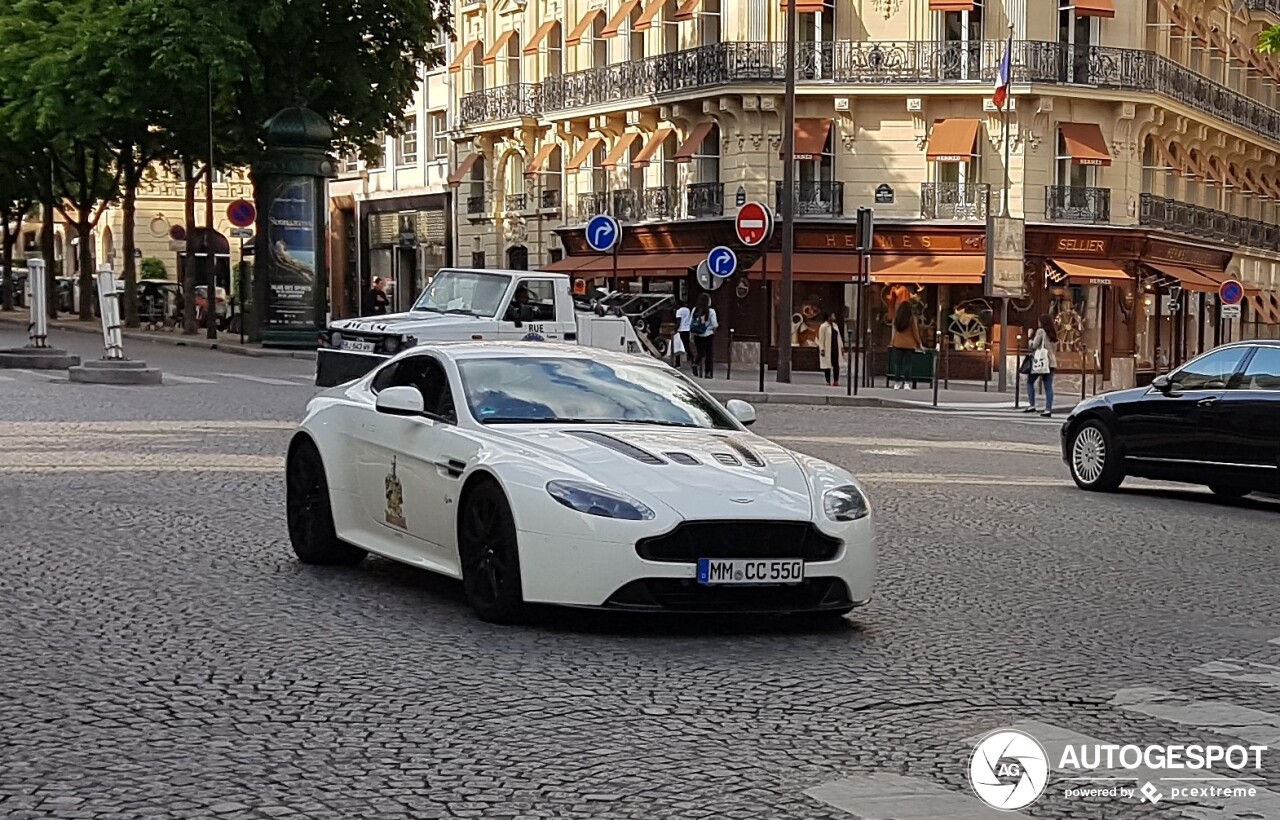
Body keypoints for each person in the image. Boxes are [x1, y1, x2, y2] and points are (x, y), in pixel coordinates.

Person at [1025, 314, 1058, 417]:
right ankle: (1048, 409)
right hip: (1051, 362)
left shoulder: (1040, 332)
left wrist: (1030, 337)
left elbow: (1033, 346)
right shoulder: (1053, 334)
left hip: (1040, 362)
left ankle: (1032, 405)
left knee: (1030, 382)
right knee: (1048, 386)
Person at [889, 301, 923, 389]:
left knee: (897, 364)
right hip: (909, 344)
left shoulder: (897, 318)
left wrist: (892, 342)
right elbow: (915, 332)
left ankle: (897, 383)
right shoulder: (911, 318)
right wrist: (920, 343)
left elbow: (894, 330)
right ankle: (906, 383)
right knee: (907, 365)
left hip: (898, 343)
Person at [690, 293, 718, 378]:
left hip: (697, 334)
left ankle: (695, 363)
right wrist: (711, 329)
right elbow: (714, 324)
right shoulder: (711, 311)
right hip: (708, 334)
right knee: (709, 354)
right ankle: (707, 373)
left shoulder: (695, 310)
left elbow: (691, 322)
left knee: (700, 352)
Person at [817, 313, 844, 386]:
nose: (834, 317)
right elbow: (821, 339)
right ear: (828, 317)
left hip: (835, 348)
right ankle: (828, 380)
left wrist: (841, 346)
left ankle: (836, 380)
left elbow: (839, 337)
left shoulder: (835, 326)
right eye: (833, 316)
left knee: (836, 365)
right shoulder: (823, 326)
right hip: (828, 348)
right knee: (827, 365)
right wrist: (822, 349)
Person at [674, 299, 693, 370]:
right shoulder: (688, 310)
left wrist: (675, 329)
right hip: (687, 329)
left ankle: (677, 363)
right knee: (686, 346)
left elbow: (678, 322)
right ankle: (692, 359)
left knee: (678, 347)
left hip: (681, 330)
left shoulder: (678, 311)